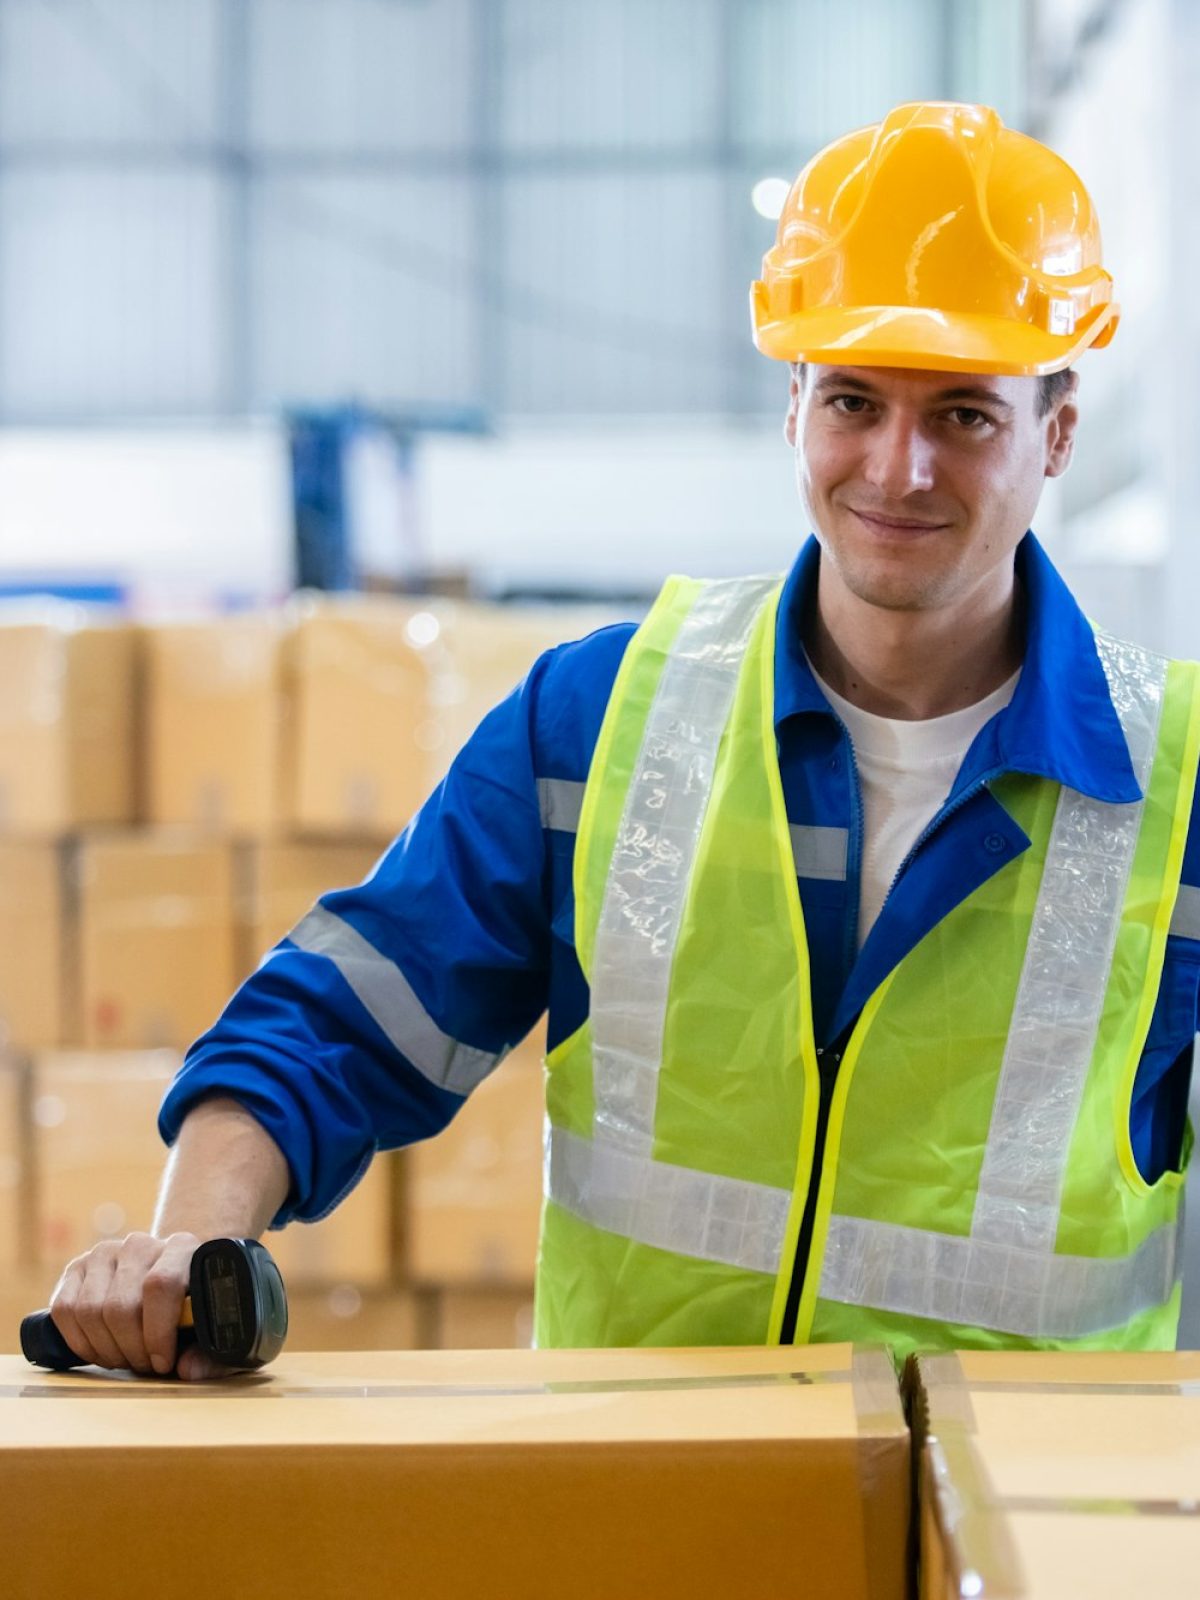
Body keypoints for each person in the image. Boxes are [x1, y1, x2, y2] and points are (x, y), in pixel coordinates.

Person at [47, 102, 1200, 1379]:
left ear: (1059, 431)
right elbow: (338, 1019)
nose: (898, 467)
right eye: (855, 401)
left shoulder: (1183, 786)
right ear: (794, 409)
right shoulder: (599, 726)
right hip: (654, 1520)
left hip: (1015, 1547)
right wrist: (189, 1246)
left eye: (966, 416)